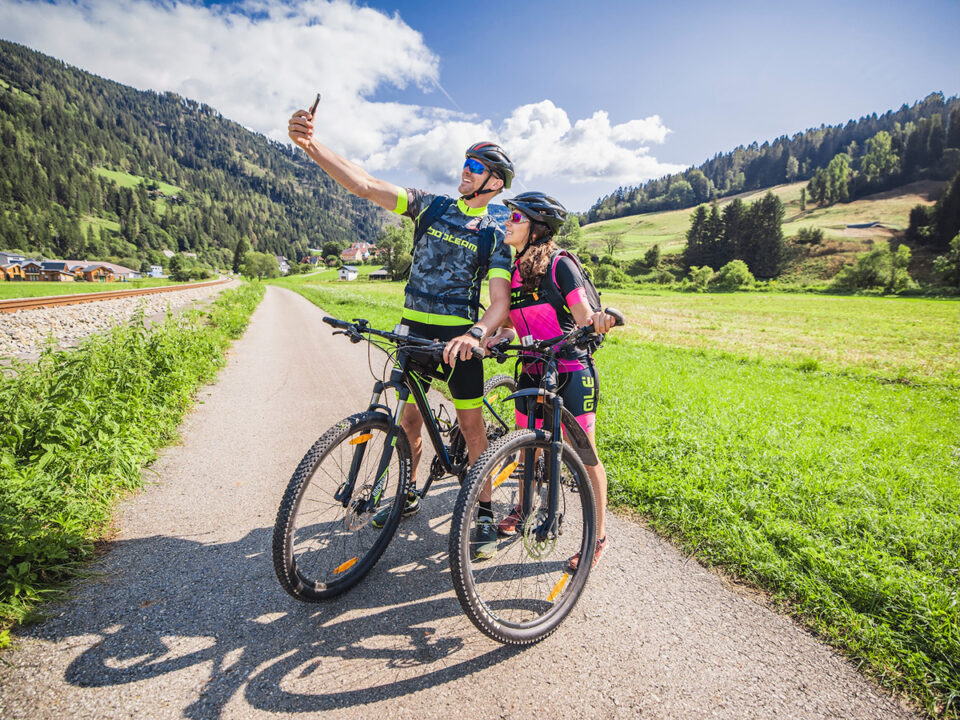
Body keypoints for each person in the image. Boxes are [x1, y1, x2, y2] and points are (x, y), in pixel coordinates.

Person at [288, 108, 512, 550]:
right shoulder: (432, 205)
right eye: (463, 165)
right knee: (408, 422)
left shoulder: (496, 230)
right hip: (413, 332)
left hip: (459, 342)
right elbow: (364, 184)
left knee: (472, 429)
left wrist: (477, 335)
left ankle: (484, 511)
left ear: (495, 183)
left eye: (474, 168)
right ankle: (406, 494)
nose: (463, 173)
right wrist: (311, 145)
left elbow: (500, 302)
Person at [483, 192, 617, 569]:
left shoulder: (561, 265)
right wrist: (500, 338)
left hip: (571, 371)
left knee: (584, 451)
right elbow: (514, 324)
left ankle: (599, 536)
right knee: (528, 446)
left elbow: (585, 315)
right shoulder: (513, 271)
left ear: (536, 226)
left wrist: (602, 319)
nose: (507, 221)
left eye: (514, 216)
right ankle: (524, 510)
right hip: (530, 368)